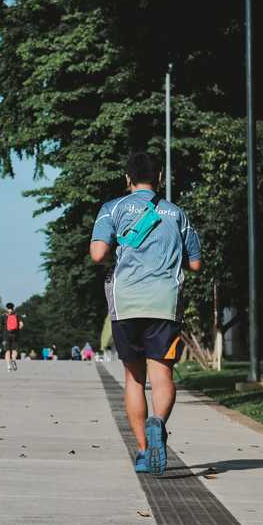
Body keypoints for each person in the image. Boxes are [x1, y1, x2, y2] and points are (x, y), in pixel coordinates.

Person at [90, 151, 201, 474]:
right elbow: (194, 264)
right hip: (164, 303)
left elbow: (98, 254)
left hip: (126, 303)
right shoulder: (177, 214)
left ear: (128, 178)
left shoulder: (112, 208)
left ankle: (142, 450)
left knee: (134, 378)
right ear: (160, 178)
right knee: (162, 375)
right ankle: (158, 422)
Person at [0, 302, 24, 371]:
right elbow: (21, 324)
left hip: (6, 335)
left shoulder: (3, 315)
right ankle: (13, 360)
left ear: (7, 308)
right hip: (15, 335)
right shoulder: (17, 315)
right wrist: (17, 329)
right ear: (13, 308)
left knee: (7, 351)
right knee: (14, 350)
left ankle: (8, 365)